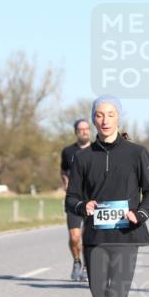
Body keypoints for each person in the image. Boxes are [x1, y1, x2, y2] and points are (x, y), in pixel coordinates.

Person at [66, 96, 149, 297]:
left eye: (110, 114)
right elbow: (71, 198)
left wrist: (139, 214)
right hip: (95, 238)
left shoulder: (136, 153)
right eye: (99, 115)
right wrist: (84, 207)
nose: (105, 120)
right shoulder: (81, 158)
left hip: (126, 236)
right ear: (93, 119)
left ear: (118, 118)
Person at [60, 119, 92, 281]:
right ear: (76, 132)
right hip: (73, 199)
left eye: (87, 129)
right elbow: (64, 170)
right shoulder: (68, 151)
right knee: (74, 237)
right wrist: (65, 181)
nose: (84, 132)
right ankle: (77, 261)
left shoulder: (97, 150)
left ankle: (87, 267)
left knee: (88, 238)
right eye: (81, 129)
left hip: (92, 200)